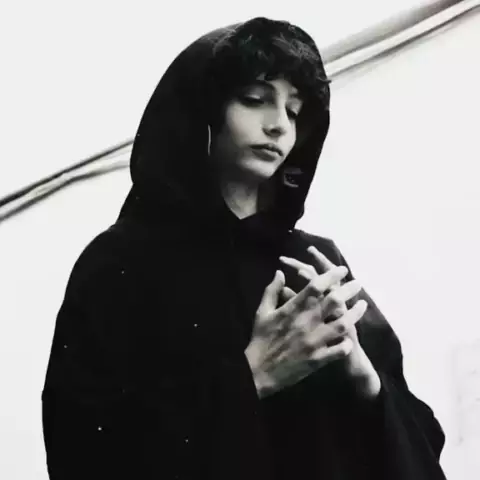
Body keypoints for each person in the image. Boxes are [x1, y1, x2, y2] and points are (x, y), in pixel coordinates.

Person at [41, 17, 448, 480]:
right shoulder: (120, 264)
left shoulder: (315, 265)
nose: (278, 125)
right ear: (200, 110)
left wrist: (364, 377)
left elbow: (422, 447)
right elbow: (82, 452)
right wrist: (252, 376)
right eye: (255, 100)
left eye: (294, 111)